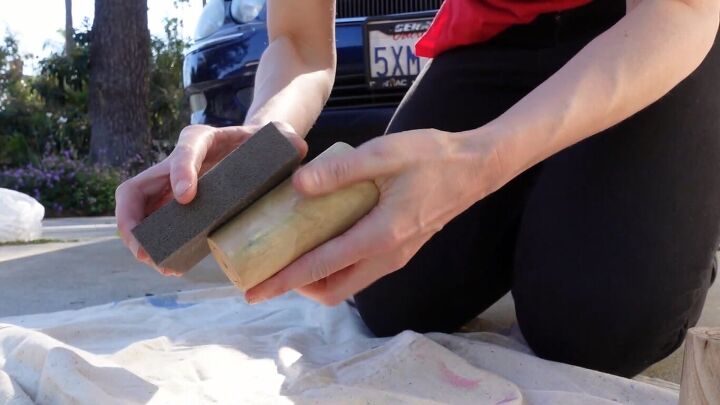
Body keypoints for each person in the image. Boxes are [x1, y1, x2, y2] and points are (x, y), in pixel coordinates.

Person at [116, 0, 720, 377]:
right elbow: (297, 42)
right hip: (488, 40)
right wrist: (260, 132)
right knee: (390, 296)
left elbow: (683, 9)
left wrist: (481, 160)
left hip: (639, 27)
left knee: (599, 327)